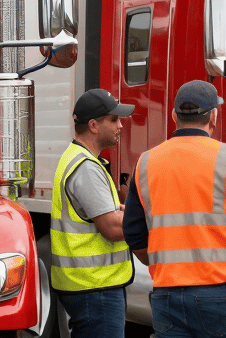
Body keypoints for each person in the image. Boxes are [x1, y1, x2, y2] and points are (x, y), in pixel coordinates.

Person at [123, 80, 226, 338]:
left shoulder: (145, 163)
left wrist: (162, 263)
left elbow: (133, 233)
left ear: (173, 116)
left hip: (167, 294)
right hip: (219, 291)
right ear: (213, 116)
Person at [50, 88, 136, 338]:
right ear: (93, 125)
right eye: (114, 119)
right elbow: (111, 227)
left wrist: (123, 210)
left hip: (89, 286)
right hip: (95, 287)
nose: (120, 125)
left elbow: (102, 213)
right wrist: (154, 221)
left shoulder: (77, 158)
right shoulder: (86, 167)